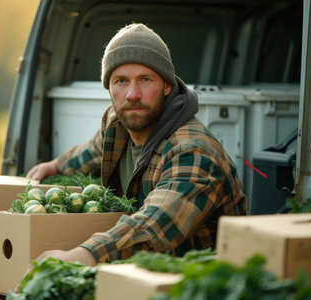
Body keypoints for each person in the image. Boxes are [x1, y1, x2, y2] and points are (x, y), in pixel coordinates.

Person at [26, 23, 247, 267]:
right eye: (121, 81)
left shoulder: (194, 151)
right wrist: (56, 165)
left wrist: (82, 255)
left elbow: (154, 225)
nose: (132, 94)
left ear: (167, 86)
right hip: (142, 272)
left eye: (145, 79)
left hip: (199, 281)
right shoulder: (120, 124)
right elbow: (95, 148)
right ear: (109, 88)